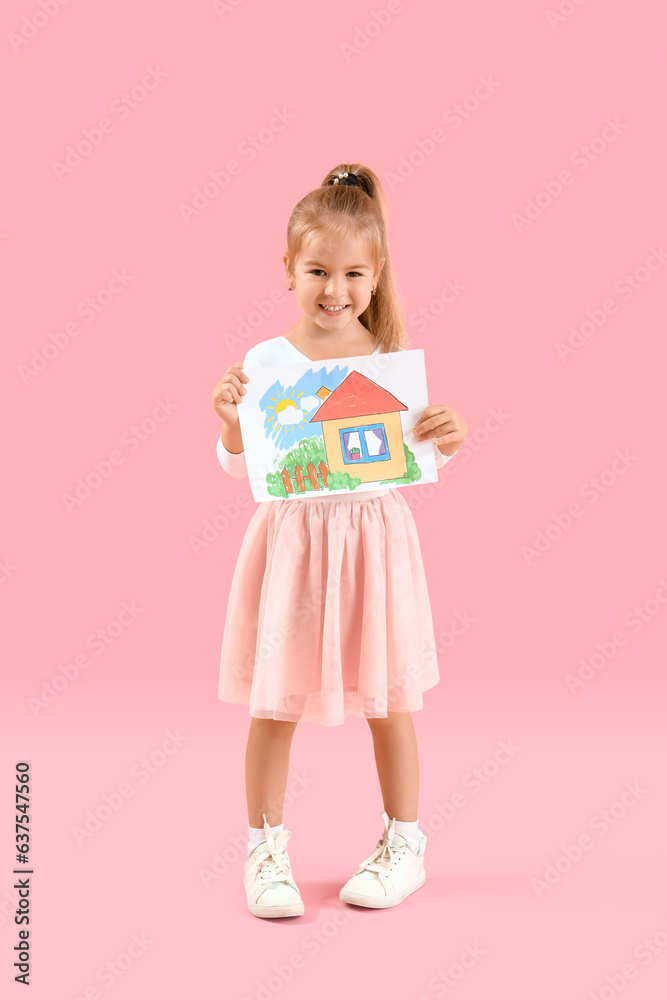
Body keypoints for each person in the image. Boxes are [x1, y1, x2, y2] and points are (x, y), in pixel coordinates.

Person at [211, 163, 467, 919]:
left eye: (352, 273)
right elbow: (241, 466)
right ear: (286, 268)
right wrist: (230, 423)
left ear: (376, 273)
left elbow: (409, 459)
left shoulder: (386, 361)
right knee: (274, 701)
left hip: (372, 543)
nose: (334, 289)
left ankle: (405, 845)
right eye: (317, 270)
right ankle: (264, 850)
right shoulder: (265, 364)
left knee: (389, 698)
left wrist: (443, 439)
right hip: (292, 547)